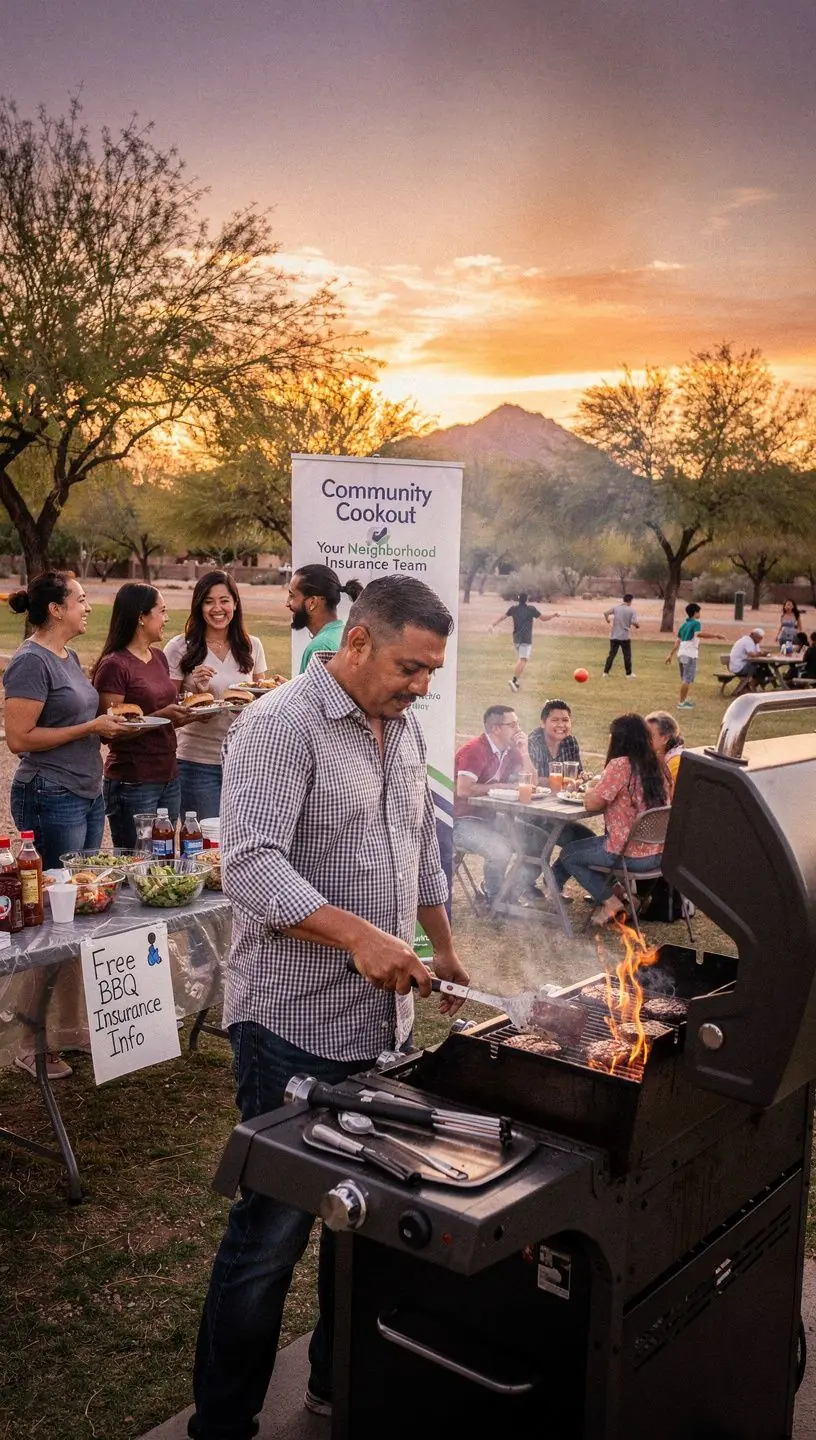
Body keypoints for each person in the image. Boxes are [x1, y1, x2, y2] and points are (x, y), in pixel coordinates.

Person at [188, 575, 469, 1439]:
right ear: (356, 641)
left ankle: (335, 1384)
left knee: (369, 1222)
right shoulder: (280, 726)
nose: (422, 685)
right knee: (272, 1237)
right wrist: (356, 937)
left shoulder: (406, 724)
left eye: (430, 671)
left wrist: (443, 948)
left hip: (383, 1028)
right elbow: (253, 869)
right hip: (290, 1028)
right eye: (410, 666)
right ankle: (224, 1424)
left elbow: (420, 849)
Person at [3, 572, 127, 1081]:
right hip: (49, 797)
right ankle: (30, 1043)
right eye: (80, 599)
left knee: (75, 918)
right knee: (50, 926)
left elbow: (78, 719)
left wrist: (109, 722)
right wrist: (92, 727)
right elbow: (20, 739)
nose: (88, 607)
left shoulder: (68, 658)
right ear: (55, 609)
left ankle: (62, 1031)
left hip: (85, 793)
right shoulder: (30, 662)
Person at [93, 584, 199, 848]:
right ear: (141, 617)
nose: (166, 618)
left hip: (168, 776)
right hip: (133, 780)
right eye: (161, 611)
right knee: (137, 862)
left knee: (163, 859)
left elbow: (164, 713)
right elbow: (110, 731)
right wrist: (162, 716)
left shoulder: (159, 657)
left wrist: (186, 715)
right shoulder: (114, 665)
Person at [164, 571, 268, 818]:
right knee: (203, 844)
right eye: (209, 601)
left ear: (235, 603)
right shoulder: (180, 647)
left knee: (241, 842)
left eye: (224, 600)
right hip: (197, 762)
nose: (217, 608)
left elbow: (262, 697)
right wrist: (200, 695)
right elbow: (169, 712)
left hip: (244, 762)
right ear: (199, 606)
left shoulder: (252, 645)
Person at [552, 713, 671, 926]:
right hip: (658, 855)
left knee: (569, 854)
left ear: (618, 739)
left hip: (628, 854)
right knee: (587, 845)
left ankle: (610, 901)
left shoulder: (621, 765)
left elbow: (592, 804)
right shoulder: (659, 764)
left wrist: (590, 786)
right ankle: (628, 897)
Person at [454, 705, 530, 903]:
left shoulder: (511, 750)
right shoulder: (474, 750)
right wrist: (502, 785)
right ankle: (495, 899)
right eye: (512, 725)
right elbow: (463, 789)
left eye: (518, 724)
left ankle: (507, 894)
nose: (518, 729)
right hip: (460, 821)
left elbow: (531, 783)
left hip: (490, 818)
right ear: (496, 728)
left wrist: (525, 751)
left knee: (536, 842)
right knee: (500, 849)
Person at [287, 564, 364, 673]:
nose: (287, 603)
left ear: (312, 602)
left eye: (292, 595)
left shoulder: (319, 648)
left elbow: (314, 690)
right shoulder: (342, 633)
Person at [489, 591, 558, 692]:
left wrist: (493, 625)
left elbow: (502, 617)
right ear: (527, 599)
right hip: (525, 638)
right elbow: (543, 618)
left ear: (518, 599)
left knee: (521, 659)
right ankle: (514, 680)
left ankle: (516, 682)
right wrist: (553, 615)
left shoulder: (513, 609)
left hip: (516, 638)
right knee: (523, 660)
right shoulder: (531, 609)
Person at [664, 603, 726, 709]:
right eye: (699, 612)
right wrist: (716, 635)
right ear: (695, 613)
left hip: (681, 653)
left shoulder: (684, 625)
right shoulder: (696, 623)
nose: (700, 614)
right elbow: (699, 634)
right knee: (687, 679)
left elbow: (678, 641)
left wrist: (670, 654)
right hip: (690, 654)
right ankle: (681, 703)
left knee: (684, 678)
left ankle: (684, 699)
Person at [526, 698, 583, 779]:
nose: (561, 725)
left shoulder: (571, 742)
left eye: (565, 720)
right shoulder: (532, 743)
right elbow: (531, 779)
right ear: (543, 723)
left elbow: (577, 774)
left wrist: (583, 777)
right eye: (555, 720)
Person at [602, 594, 639, 677]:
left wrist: (607, 620)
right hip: (625, 637)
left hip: (614, 636)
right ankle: (628, 674)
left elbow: (606, 613)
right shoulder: (631, 610)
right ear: (630, 601)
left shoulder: (616, 608)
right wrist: (637, 626)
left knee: (611, 655)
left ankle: (605, 673)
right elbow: (634, 622)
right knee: (627, 655)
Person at [646, 710, 685, 785]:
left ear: (665, 739)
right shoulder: (658, 755)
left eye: (649, 735)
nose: (643, 739)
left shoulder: (675, 766)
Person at [728, 627, 767, 694]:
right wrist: (762, 653)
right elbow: (752, 654)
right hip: (739, 667)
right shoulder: (747, 641)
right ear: (752, 634)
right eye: (759, 638)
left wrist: (762, 653)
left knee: (762, 666)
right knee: (760, 667)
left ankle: (763, 680)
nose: (759, 640)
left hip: (741, 665)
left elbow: (757, 653)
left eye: (761, 638)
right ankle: (764, 680)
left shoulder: (754, 642)